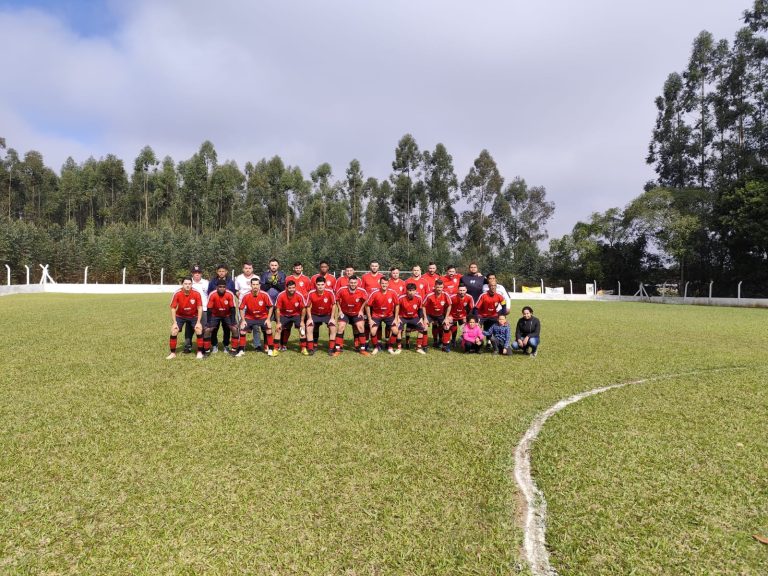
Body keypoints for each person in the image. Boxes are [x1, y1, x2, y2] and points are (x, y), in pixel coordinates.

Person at [203, 279, 243, 357]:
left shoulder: (230, 294)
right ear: (217, 287)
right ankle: (208, 350)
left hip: (227, 315)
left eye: (223, 287)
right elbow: (209, 309)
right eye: (220, 287)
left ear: (226, 287)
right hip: (215, 315)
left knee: (234, 329)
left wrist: (233, 322)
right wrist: (208, 322)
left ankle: (231, 348)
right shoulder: (212, 294)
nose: (222, 288)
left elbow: (232, 308)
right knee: (208, 330)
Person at [238, 277, 277, 356]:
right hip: (250, 317)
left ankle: (270, 349)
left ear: (259, 285)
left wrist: (268, 319)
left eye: (257, 284)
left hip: (262, 317)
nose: (255, 286)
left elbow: (271, 306)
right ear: (251, 285)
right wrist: (243, 320)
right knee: (242, 329)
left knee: (269, 329)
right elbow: (241, 308)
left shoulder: (264, 294)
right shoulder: (246, 295)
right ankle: (241, 350)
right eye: (253, 284)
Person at [166, 277, 203, 359]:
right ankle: (172, 353)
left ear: (192, 284)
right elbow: (173, 308)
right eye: (185, 284)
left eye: (189, 284)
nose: (187, 285)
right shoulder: (177, 293)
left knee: (198, 330)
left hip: (193, 316)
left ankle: (199, 352)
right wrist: (174, 322)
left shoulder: (196, 293)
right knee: (174, 331)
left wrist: (198, 322)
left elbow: (200, 308)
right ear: (182, 284)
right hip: (180, 316)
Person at [333, 276, 370, 355]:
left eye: (354, 283)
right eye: (351, 283)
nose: (353, 284)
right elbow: (337, 299)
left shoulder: (362, 291)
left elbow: (366, 300)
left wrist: (361, 310)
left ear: (357, 283)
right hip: (345, 313)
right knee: (341, 326)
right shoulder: (342, 290)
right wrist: (340, 310)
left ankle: (362, 349)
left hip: (356, 313)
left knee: (360, 327)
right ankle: (337, 348)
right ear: (348, 283)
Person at [365, 277, 400, 354]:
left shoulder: (392, 293)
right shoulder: (374, 293)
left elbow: (397, 305)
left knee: (395, 330)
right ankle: (376, 347)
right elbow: (367, 305)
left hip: (389, 315)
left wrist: (396, 318)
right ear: (380, 284)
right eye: (382, 283)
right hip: (376, 315)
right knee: (373, 331)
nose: (384, 285)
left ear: (388, 284)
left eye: (386, 283)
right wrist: (370, 319)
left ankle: (390, 347)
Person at [207, 264, 237, 352]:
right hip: (215, 310)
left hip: (227, 310)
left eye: (223, 271)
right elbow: (210, 293)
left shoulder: (230, 282)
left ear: (226, 272)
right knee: (214, 329)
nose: (221, 273)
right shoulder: (212, 281)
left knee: (227, 329)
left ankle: (226, 345)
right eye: (219, 271)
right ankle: (214, 345)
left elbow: (232, 293)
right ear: (217, 272)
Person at [305, 276, 337, 356]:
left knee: (333, 327)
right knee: (309, 327)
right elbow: (308, 306)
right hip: (315, 314)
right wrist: (309, 318)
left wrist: (332, 318)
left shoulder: (330, 292)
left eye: (322, 284)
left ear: (325, 284)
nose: (320, 286)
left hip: (327, 314)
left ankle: (331, 348)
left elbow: (334, 305)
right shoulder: (311, 293)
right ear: (316, 285)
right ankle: (311, 348)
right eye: (318, 284)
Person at [274, 280, 308, 353]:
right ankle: (275, 349)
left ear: (295, 287)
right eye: (290, 288)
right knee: (278, 329)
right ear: (286, 288)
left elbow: (303, 309)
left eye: (293, 287)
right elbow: (277, 309)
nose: (292, 289)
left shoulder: (299, 295)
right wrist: (278, 322)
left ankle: (303, 348)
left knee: (302, 329)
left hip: (295, 314)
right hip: (284, 314)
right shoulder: (281, 295)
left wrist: (302, 321)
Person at [394, 282, 428, 354]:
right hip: (402, 317)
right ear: (406, 290)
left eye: (413, 290)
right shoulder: (401, 298)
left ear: (415, 291)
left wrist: (421, 319)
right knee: (398, 329)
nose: (411, 292)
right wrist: (397, 318)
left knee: (422, 328)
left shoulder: (419, 298)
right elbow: (397, 308)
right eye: (409, 290)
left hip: (414, 317)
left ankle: (418, 347)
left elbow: (420, 309)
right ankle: (399, 347)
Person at [475, 273, 507, 347]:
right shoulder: (483, 295)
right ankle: (477, 343)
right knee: (477, 327)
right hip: (483, 315)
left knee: (498, 327)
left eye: (494, 286)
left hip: (493, 315)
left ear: (496, 286)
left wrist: (502, 316)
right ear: (488, 286)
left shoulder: (500, 296)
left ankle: (497, 343)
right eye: (491, 286)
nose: (493, 287)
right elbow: (476, 308)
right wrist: (477, 319)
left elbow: (504, 306)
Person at [423, 279, 453, 352]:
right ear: (434, 287)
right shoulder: (429, 295)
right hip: (430, 315)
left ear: (443, 287)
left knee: (446, 326)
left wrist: (446, 318)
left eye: (441, 287)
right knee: (424, 327)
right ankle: (424, 345)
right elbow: (423, 306)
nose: (439, 289)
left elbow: (449, 305)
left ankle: (445, 345)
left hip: (440, 315)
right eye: (438, 287)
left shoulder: (445, 294)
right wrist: (425, 318)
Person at [188, 265, 209, 353]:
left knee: (204, 328)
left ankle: (203, 346)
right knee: (189, 329)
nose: (197, 274)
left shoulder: (206, 283)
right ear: (192, 273)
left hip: (204, 309)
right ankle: (188, 346)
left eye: (199, 272)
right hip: (191, 310)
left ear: (201, 273)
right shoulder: (188, 282)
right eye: (195, 272)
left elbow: (210, 295)